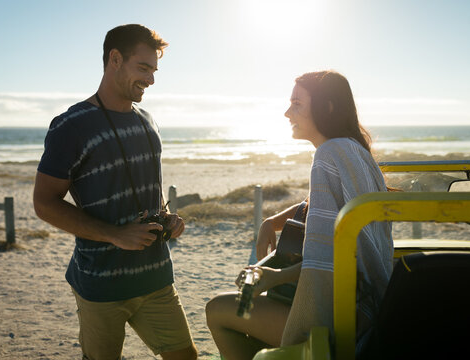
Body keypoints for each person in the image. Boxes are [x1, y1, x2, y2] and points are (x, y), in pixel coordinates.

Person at [33, 24, 197, 360]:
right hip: (101, 285)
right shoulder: (71, 126)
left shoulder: (147, 121)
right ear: (115, 59)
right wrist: (115, 234)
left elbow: (148, 189)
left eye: (153, 70)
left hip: (156, 278)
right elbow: (44, 203)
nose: (151, 79)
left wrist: (167, 218)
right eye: (143, 68)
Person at [205, 70, 393, 360]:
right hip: (369, 301)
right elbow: (319, 203)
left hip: (345, 316)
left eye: (296, 104)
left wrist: (275, 277)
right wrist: (271, 222)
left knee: (218, 309)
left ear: (326, 107)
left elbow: (328, 262)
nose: (286, 112)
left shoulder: (329, 154)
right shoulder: (352, 149)